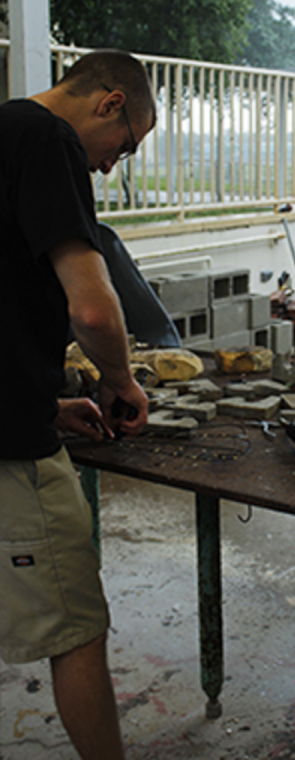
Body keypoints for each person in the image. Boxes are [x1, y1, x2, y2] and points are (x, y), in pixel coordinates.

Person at [0, 50, 156, 759]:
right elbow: (93, 310)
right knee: (78, 629)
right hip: (8, 456)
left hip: (13, 413)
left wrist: (47, 404)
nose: (109, 168)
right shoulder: (48, 140)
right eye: (123, 149)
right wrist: (120, 379)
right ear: (110, 102)